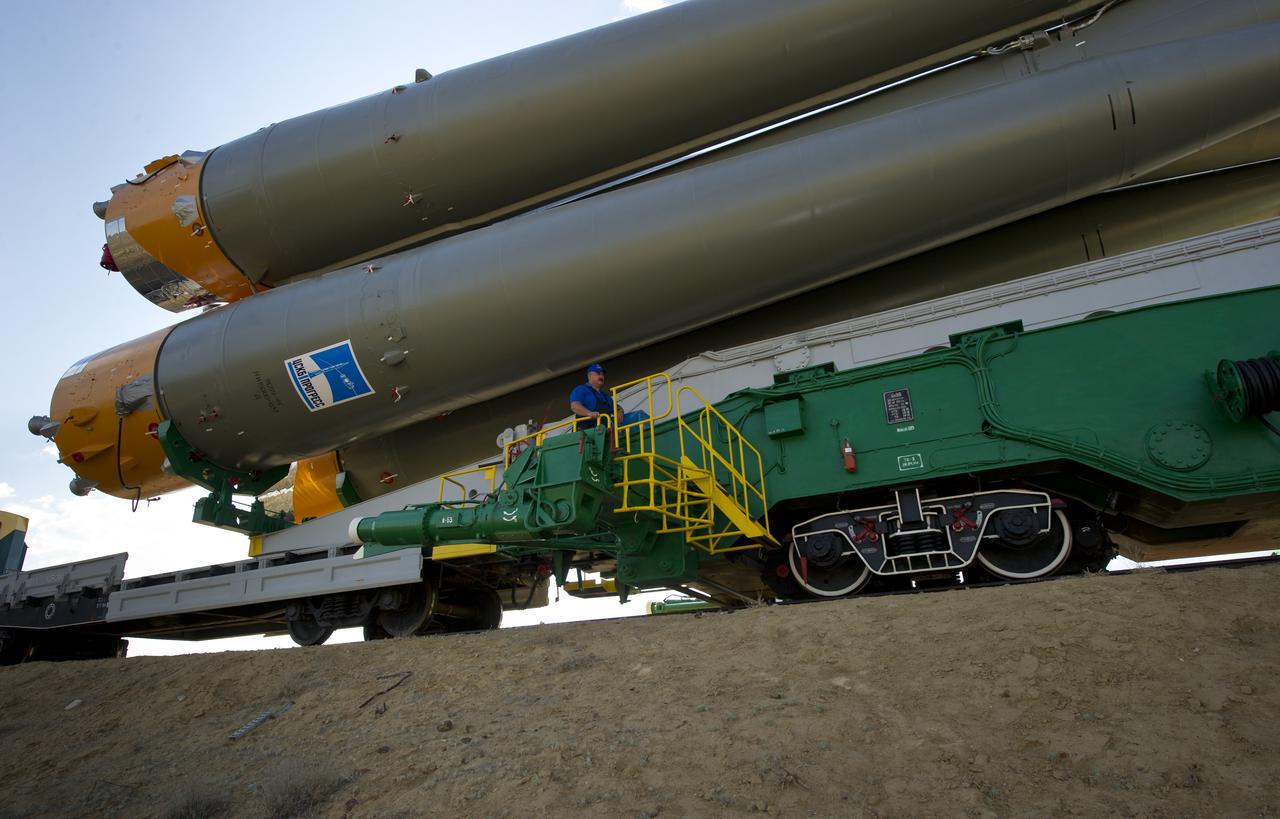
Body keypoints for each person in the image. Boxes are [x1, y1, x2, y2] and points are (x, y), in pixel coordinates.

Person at [569, 364, 618, 428]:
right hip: (586, 433)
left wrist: (619, 412)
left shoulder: (605, 396)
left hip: (604, 432)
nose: (601, 376)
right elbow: (575, 406)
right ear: (589, 376)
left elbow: (616, 408)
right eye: (598, 373)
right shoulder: (581, 389)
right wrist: (589, 413)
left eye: (602, 374)